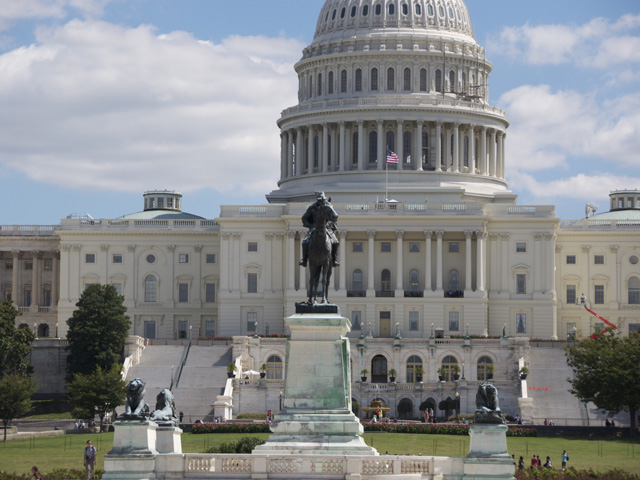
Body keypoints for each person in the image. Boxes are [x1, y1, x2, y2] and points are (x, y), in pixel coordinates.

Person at [298, 192, 340, 267]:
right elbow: (304, 218)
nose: (321, 202)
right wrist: (311, 226)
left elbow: (333, 218)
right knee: (305, 242)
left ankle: (334, 259)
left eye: (322, 200)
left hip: (327, 228)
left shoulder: (328, 207)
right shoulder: (312, 208)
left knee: (336, 242)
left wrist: (328, 225)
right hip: (314, 227)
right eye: (319, 200)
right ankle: (304, 259)